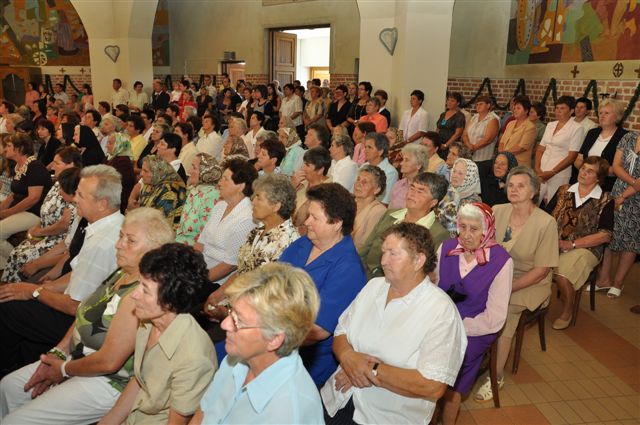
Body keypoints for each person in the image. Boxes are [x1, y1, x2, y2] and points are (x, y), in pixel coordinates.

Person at [0, 208, 174, 424]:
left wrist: (63, 370)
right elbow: (85, 312)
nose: (119, 244)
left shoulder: (141, 294)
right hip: (78, 358)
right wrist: (59, 352)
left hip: (105, 381)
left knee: (15, 420)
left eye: (130, 240)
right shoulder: (122, 272)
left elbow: (109, 362)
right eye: (121, 236)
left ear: (154, 251)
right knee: (8, 387)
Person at [322, 222, 467, 424]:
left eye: (393, 254)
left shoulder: (441, 311)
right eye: (383, 252)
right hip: (337, 398)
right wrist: (348, 358)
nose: (383, 261)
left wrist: (368, 369)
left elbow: (433, 385)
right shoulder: (374, 287)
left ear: (418, 260)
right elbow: (341, 331)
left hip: (384, 416)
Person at [0, 165, 124, 374]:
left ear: (102, 203)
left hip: (82, 324)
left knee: (7, 306)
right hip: (79, 308)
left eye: (81, 195)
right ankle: (23, 362)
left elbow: (75, 307)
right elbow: (78, 274)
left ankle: (6, 369)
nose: (75, 199)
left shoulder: (102, 243)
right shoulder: (109, 225)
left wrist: (34, 292)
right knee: (17, 296)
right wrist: (44, 287)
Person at [192, 263, 324, 424]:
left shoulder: (289, 413)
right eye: (231, 312)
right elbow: (204, 412)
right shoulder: (237, 357)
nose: (225, 325)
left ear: (274, 339)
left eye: (238, 320)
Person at [99, 243, 216, 425]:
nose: (134, 295)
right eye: (139, 284)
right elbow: (140, 381)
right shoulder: (148, 321)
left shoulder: (193, 358)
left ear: (170, 301)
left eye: (145, 290)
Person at [474, 166, 558, 402]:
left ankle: (496, 375)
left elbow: (542, 271)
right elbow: (481, 247)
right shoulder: (497, 211)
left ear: (533, 191)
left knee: (505, 311)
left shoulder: (546, 223)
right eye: (511, 185)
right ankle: (473, 355)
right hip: (496, 276)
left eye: (521, 186)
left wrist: (507, 288)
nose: (514, 189)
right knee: (466, 297)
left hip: (528, 282)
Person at [280, 183, 367, 386]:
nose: (306, 222)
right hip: (274, 333)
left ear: (336, 223)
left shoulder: (349, 268)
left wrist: (265, 336)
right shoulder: (304, 243)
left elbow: (317, 330)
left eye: (314, 217)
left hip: (305, 358)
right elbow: (271, 283)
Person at [435, 204, 513, 425]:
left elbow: (495, 318)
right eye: (462, 227)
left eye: (474, 229)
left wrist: (458, 327)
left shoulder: (501, 261)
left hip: (476, 329)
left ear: (487, 230)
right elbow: (432, 288)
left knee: (454, 363)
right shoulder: (446, 248)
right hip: (440, 321)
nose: (466, 235)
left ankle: (447, 416)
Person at [204, 173, 299, 312]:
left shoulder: (289, 243)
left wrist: (229, 313)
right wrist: (218, 295)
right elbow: (242, 271)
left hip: (254, 313)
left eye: (258, 198)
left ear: (276, 206)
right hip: (233, 300)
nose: (252, 202)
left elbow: (269, 296)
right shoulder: (257, 230)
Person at [546, 157, 613, 329]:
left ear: (598, 178)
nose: (583, 173)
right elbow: (545, 217)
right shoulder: (564, 190)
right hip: (555, 243)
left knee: (561, 273)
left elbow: (605, 235)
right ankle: (537, 301)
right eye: (583, 168)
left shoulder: (605, 199)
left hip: (587, 248)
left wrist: (572, 244)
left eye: (589, 171)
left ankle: (567, 310)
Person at [359, 172, 449, 278]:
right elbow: (365, 250)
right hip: (366, 276)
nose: (412, 194)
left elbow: (426, 273)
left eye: (420, 192)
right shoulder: (390, 215)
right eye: (412, 188)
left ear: (433, 202)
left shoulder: (438, 234)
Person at [1, 164, 79, 283]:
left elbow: (64, 231)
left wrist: (38, 262)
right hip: (48, 232)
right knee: (16, 252)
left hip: (56, 237)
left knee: (22, 256)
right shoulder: (60, 184)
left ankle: (16, 287)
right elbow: (44, 212)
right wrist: (36, 231)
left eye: (57, 163)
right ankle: (8, 285)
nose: (53, 166)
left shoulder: (75, 203)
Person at [195, 158, 258, 284]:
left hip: (216, 281)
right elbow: (201, 243)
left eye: (225, 179)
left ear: (240, 186)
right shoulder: (220, 206)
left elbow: (230, 265)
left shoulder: (247, 218)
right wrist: (189, 267)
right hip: (199, 269)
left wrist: (198, 281)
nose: (219, 183)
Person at [595, 131, 640, 298]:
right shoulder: (629, 137)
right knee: (609, 233)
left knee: (630, 239)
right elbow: (616, 165)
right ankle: (604, 279)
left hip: (636, 198)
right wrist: (632, 183)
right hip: (620, 189)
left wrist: (624, 195)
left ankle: (618, 283)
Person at [0, 134, 52, 270]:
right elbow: (14, 194)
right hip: (23, 210)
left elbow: (33, 199)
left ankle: (18, 264)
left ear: (20, 148)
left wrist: (8, 212)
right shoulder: (20, 166)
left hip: (34, 213)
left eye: (9, 146)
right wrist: (2, 209)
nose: (5, 149)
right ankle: (5, 267)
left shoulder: (34, 167)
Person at [535, 96, 584, 205]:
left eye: (562, 108)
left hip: (559, 173)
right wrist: (537, 167)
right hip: (542, 170)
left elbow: (572, 157)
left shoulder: (577, 128)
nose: (558, 111)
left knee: (554, 205)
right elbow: (541, 148)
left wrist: (552, 172)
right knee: (535, 202)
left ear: (571, 111)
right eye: (557, 108)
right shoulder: (550, 125)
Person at [573, 99, 628, 192]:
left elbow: (623, 168)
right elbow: (579, 159)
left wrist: (593, 173)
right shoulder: (592, 133)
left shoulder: (624, 136)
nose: (602, 116)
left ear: (617, 116)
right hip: (584, 184)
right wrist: (586, 172)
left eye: (606, 113)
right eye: (600, 113)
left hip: (607, 187)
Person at [175, 153, 222, 245]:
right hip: (180, 242)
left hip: (194, 248)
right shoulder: (195, 189)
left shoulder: (213, 195)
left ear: (205, 172)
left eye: (194, 168)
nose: (189, 171)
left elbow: (205, 233)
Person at [137, 155, 187, 228]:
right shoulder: (149, 184)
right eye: (142, 170)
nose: (141, 174)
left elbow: (160, 224)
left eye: (145, 171)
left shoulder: (170, 192)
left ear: (157, 172)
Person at [437, 158, 482, 236]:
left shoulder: (473, 202)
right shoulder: (450, 191)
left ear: (469, 178)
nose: (454, 175)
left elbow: (460, 231)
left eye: (460, 173)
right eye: (454, 171)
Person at [292, 147, 332, 230]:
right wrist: (292, 186)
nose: (303, 168)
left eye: (307, 165)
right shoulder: (301, 183)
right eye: (304, 164)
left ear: (320, 170)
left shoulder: (329, 191)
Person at [352, 165, 387, 250]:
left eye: (364, 182)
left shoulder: (378, 211)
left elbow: (366, 245)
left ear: (377, 189)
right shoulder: (348, 202)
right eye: (358, 179)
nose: (358, 184)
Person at [498, 95, 537, 166]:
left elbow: (521, 148)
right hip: (504, 162)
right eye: (514, 108)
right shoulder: (510, 123)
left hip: (519, 164)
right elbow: (502, 142)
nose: (515, 110)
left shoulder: (530, 127)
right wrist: (501, 155)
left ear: (526, 111)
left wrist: (504, 154)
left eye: (518, 108)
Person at [388, 143, 430, 209]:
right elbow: (390, 208)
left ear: (418, 165)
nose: (401, 163)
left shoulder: (424, 189)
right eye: (403, 159)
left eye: (406, 160)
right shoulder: (398, 184)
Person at [362, 132, 398, 204]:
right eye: (365, 147)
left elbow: (384, 202)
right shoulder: (364, 166)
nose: (365, 150)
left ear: (380, 151)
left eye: (369, 147)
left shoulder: (390, 172)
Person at [462, 95, 500, 163]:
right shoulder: (474, 117)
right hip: (469, 157)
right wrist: (469, 145)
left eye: (481, 104)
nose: (478, 106)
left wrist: (473, 148)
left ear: (488, 106)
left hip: (483, 158)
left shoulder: (493, 119)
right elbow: (465, 134)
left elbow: (487, 139)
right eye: (477, 104)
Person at [436, 92, 466, 159]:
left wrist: (446, 145)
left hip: (450, 147)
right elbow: (438, 128)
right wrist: (435, 141)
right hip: (439, 145)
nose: (449, 102)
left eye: (452, 101)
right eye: (448, 100)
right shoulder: (443, 114)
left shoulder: (460, 116)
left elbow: (458, 134)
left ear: (458, 103)